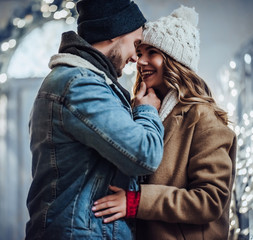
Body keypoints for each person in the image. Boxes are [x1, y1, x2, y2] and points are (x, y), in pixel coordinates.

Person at [92, 5, 237, 240]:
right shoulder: (139, 110)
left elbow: (210, 200)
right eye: (140, 53)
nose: (140, 61)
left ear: (175, 60)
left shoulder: (203, 118)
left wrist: (136, 202)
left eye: (152, 52)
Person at [25, 0, 165, 239]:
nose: (135, 58)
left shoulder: (81, 81)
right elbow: (144, 155)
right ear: (113, 33)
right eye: (136, 45)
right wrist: (147, 111)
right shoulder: (81, 84)